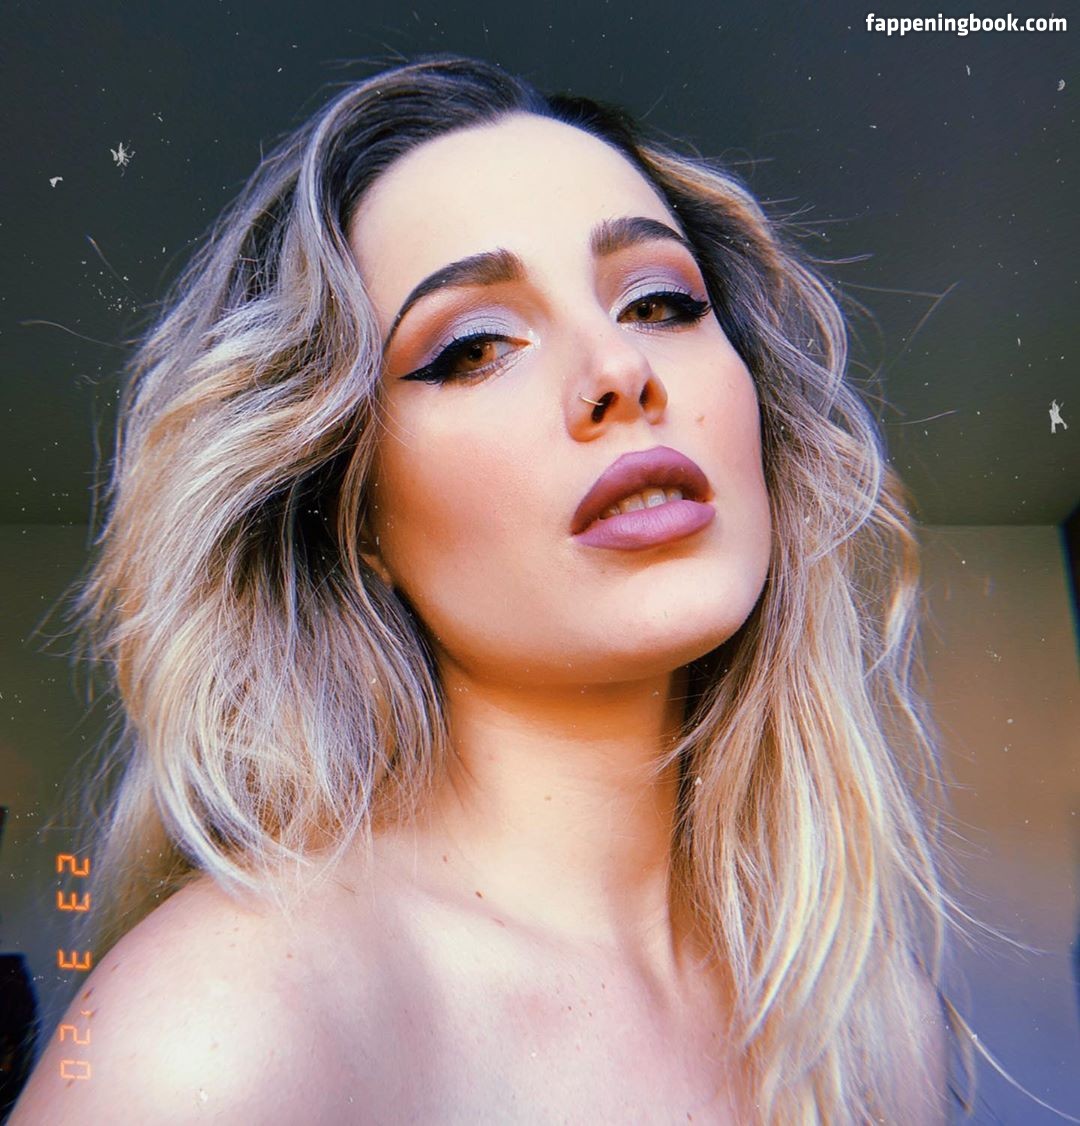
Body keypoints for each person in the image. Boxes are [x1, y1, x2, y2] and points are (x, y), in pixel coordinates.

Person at [11, 55, 956, 1123]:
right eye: (471, 349)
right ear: (353, 518)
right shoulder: (225, 1024)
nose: (618, 372)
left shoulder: (873, 1026)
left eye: (659, 303)